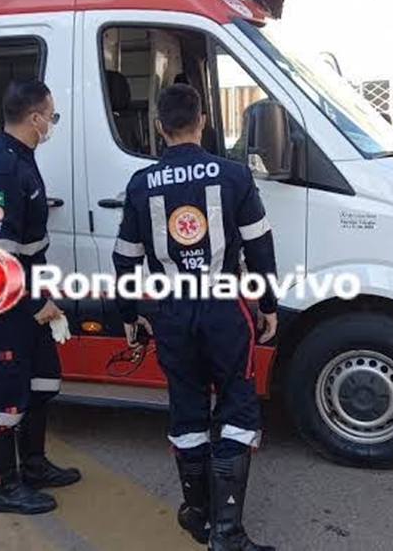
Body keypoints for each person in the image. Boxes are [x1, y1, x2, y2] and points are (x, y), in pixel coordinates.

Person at [112, 83, 279, 551]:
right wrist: (267, 306)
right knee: (238, 407)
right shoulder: (233, 176)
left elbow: (124, 258)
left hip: (171, 313)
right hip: (224, 309)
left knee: (186, 408)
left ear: (158, 129)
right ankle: (227, 533)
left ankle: (200, 514)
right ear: (202, 122)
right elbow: (261, 248)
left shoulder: (141, 184)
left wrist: (130, 316)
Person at [0, 79, 81, 515]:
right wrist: (36, 303)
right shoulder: (0, 168)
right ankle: (4, 488)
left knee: (40, 383)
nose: (52, 123)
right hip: (7, 307)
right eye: (51, 115)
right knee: (2, 397)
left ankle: (33, 465)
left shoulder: (20, 159)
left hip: (30, 297)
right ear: (34, 119)